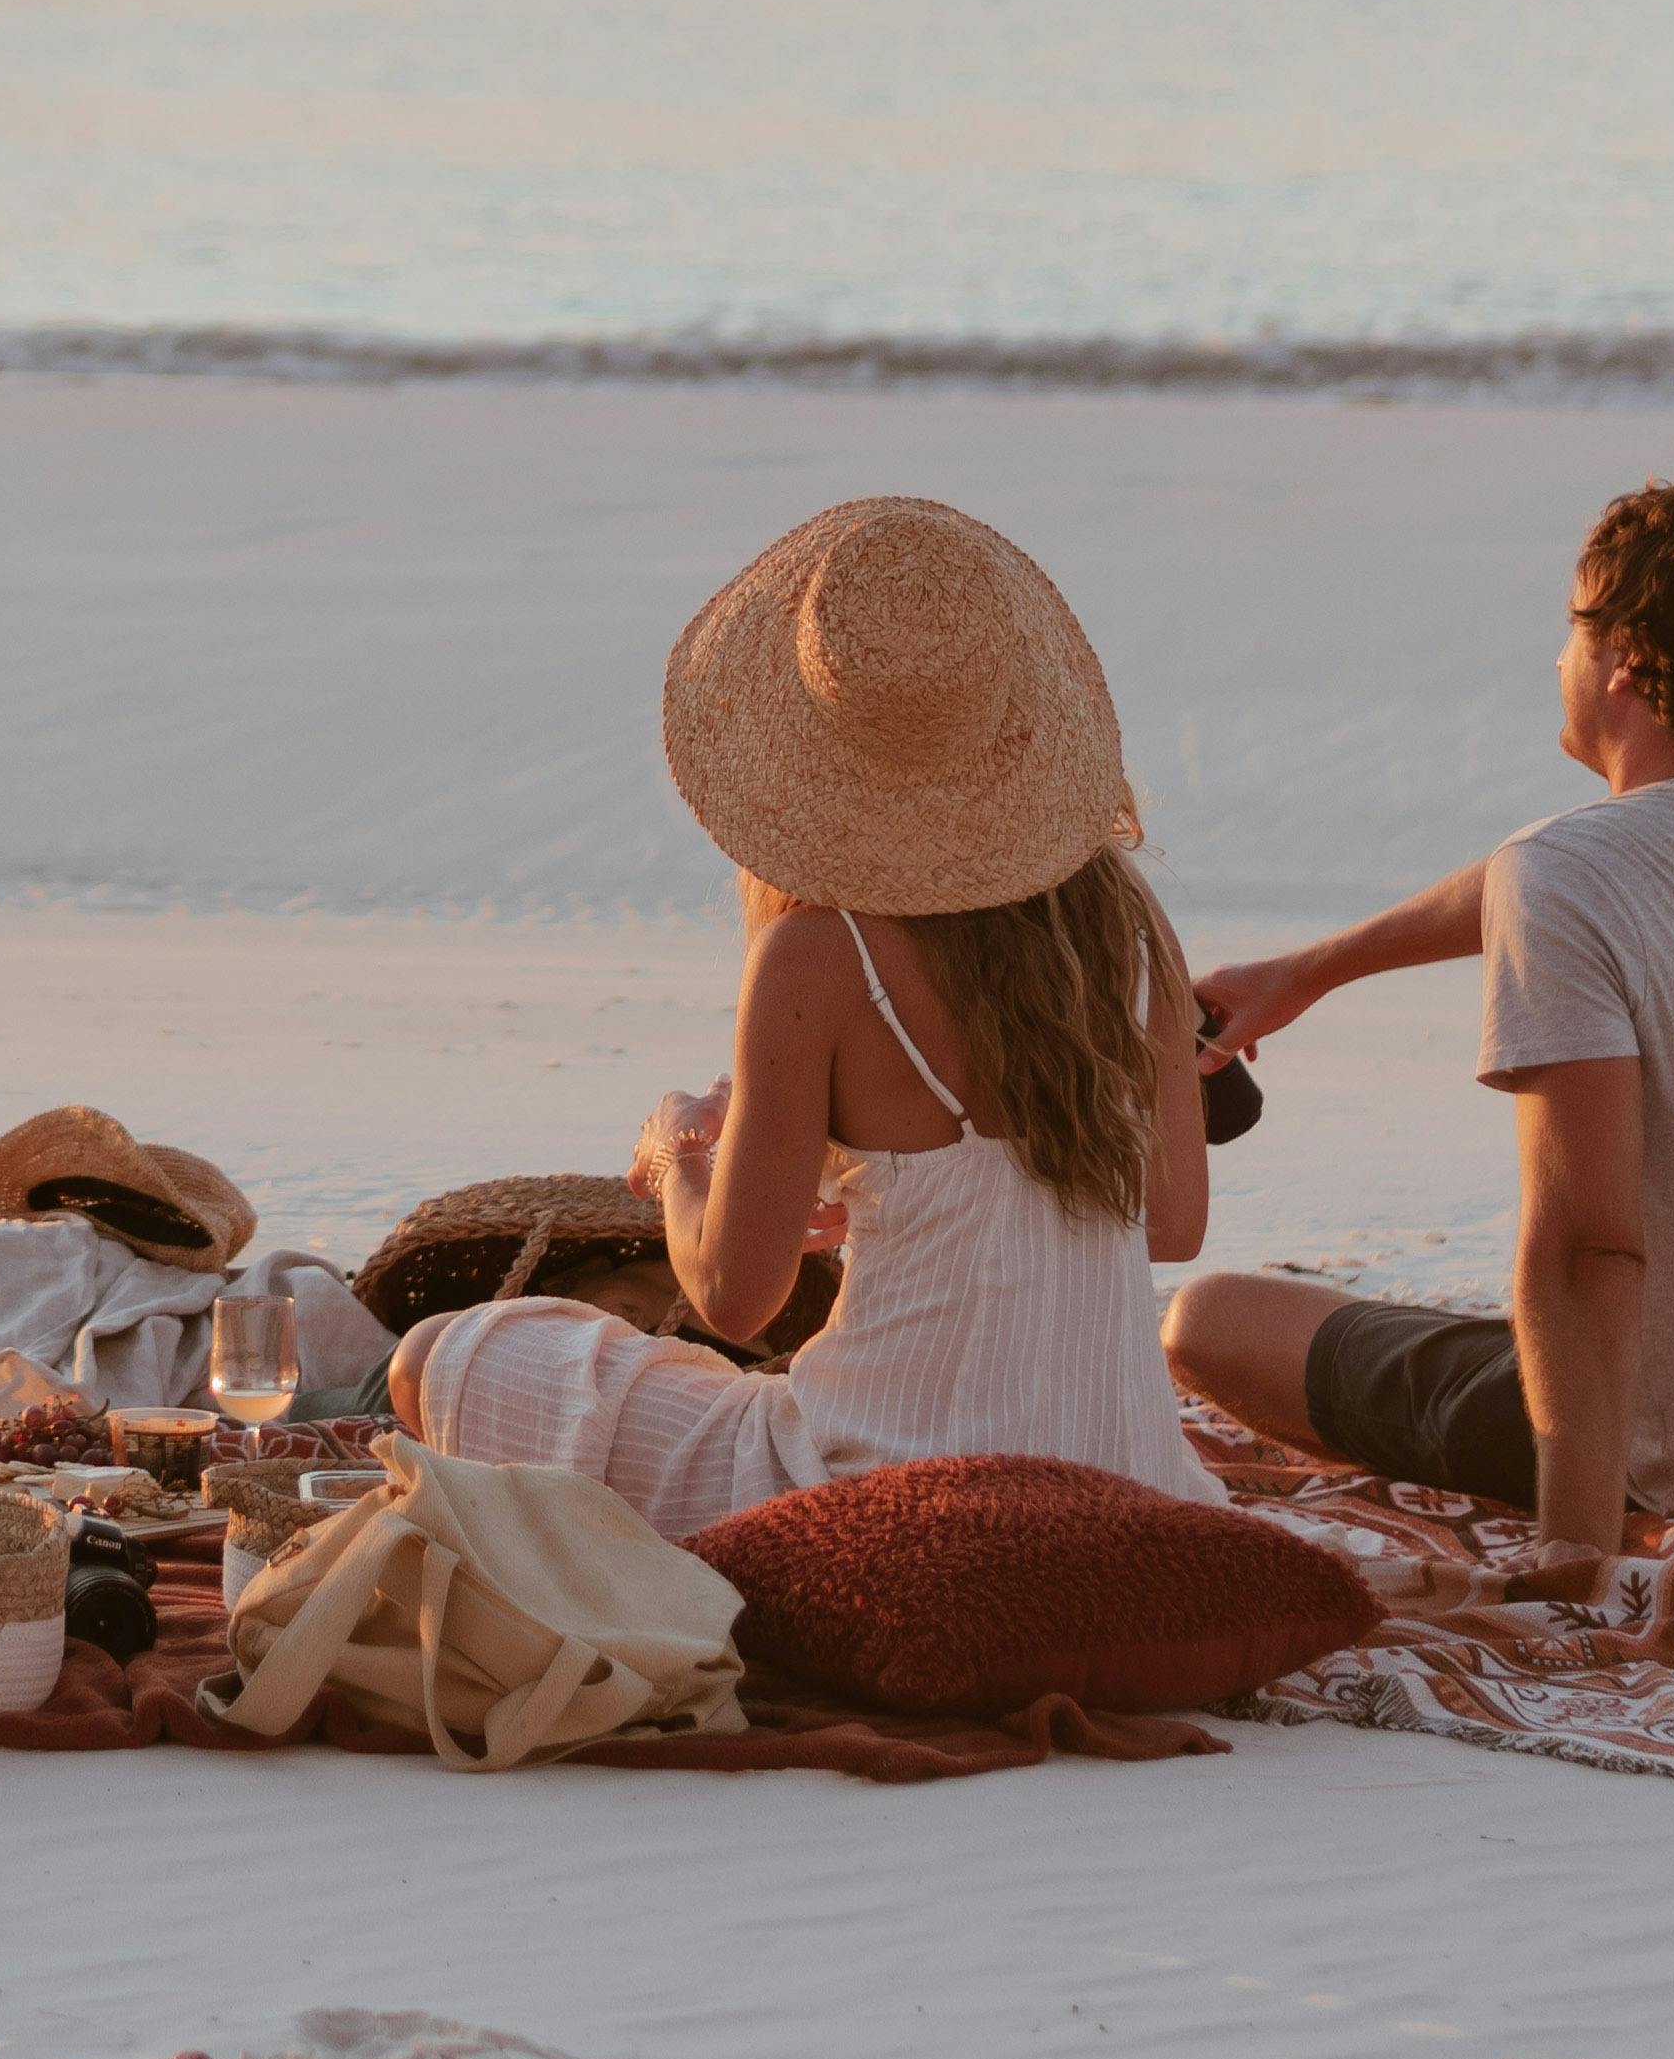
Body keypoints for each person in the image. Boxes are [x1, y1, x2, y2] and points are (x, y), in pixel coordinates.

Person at [1173, 477, 1674, 1588]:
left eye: (1570, 628)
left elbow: (1585, 1250)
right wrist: (1309, 972)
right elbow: (1549, 880)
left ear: (1622, 661)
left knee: (1209, 1321)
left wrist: (1569, 1551)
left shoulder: (1561, 877)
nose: (1554, 660)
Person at [390, 494, 1223, 1535]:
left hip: (883, 1487)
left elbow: (734, 1299)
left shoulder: (823, 953)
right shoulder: (1128, 926)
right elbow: (1173, 1223)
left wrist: (679, 1147)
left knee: (447, 1356)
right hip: (1123, 1486)